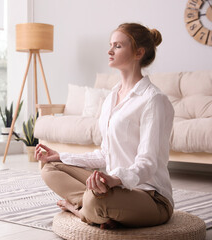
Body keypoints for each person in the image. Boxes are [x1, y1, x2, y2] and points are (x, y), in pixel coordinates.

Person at [35, 22, 174, 229]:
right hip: (112, 188)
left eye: (118, 46)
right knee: (50, 168)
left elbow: (147, 163)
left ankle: (79, 209)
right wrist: (61, 155)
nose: (109, 51)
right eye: (111, 45)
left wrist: (114, 179)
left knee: (94, 200)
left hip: (150, 196)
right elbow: (105, 154)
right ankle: (97, 211)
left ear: (139, 52)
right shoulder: (111, 98)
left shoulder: (153, 100)